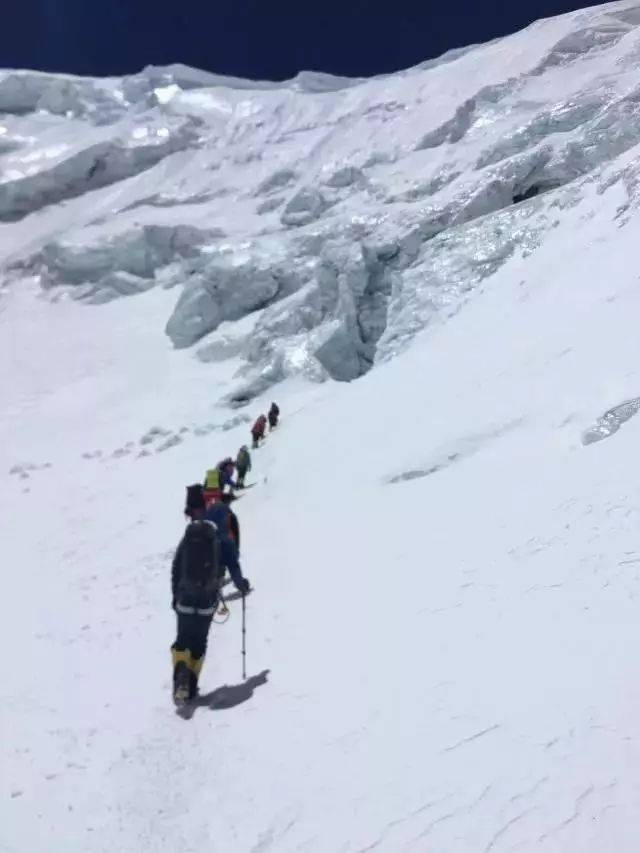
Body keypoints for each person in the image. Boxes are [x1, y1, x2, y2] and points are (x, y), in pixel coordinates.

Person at [170, 488, 250, 706]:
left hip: (185, 599)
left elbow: (176, 566)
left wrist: (176, 595)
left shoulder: (190, 535)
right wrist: (241, 585)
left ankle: (181, 676)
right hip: (207, 601)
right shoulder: (221, 536)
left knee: (182, 640)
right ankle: (191, 686)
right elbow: (233, 566)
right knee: (199, 642)